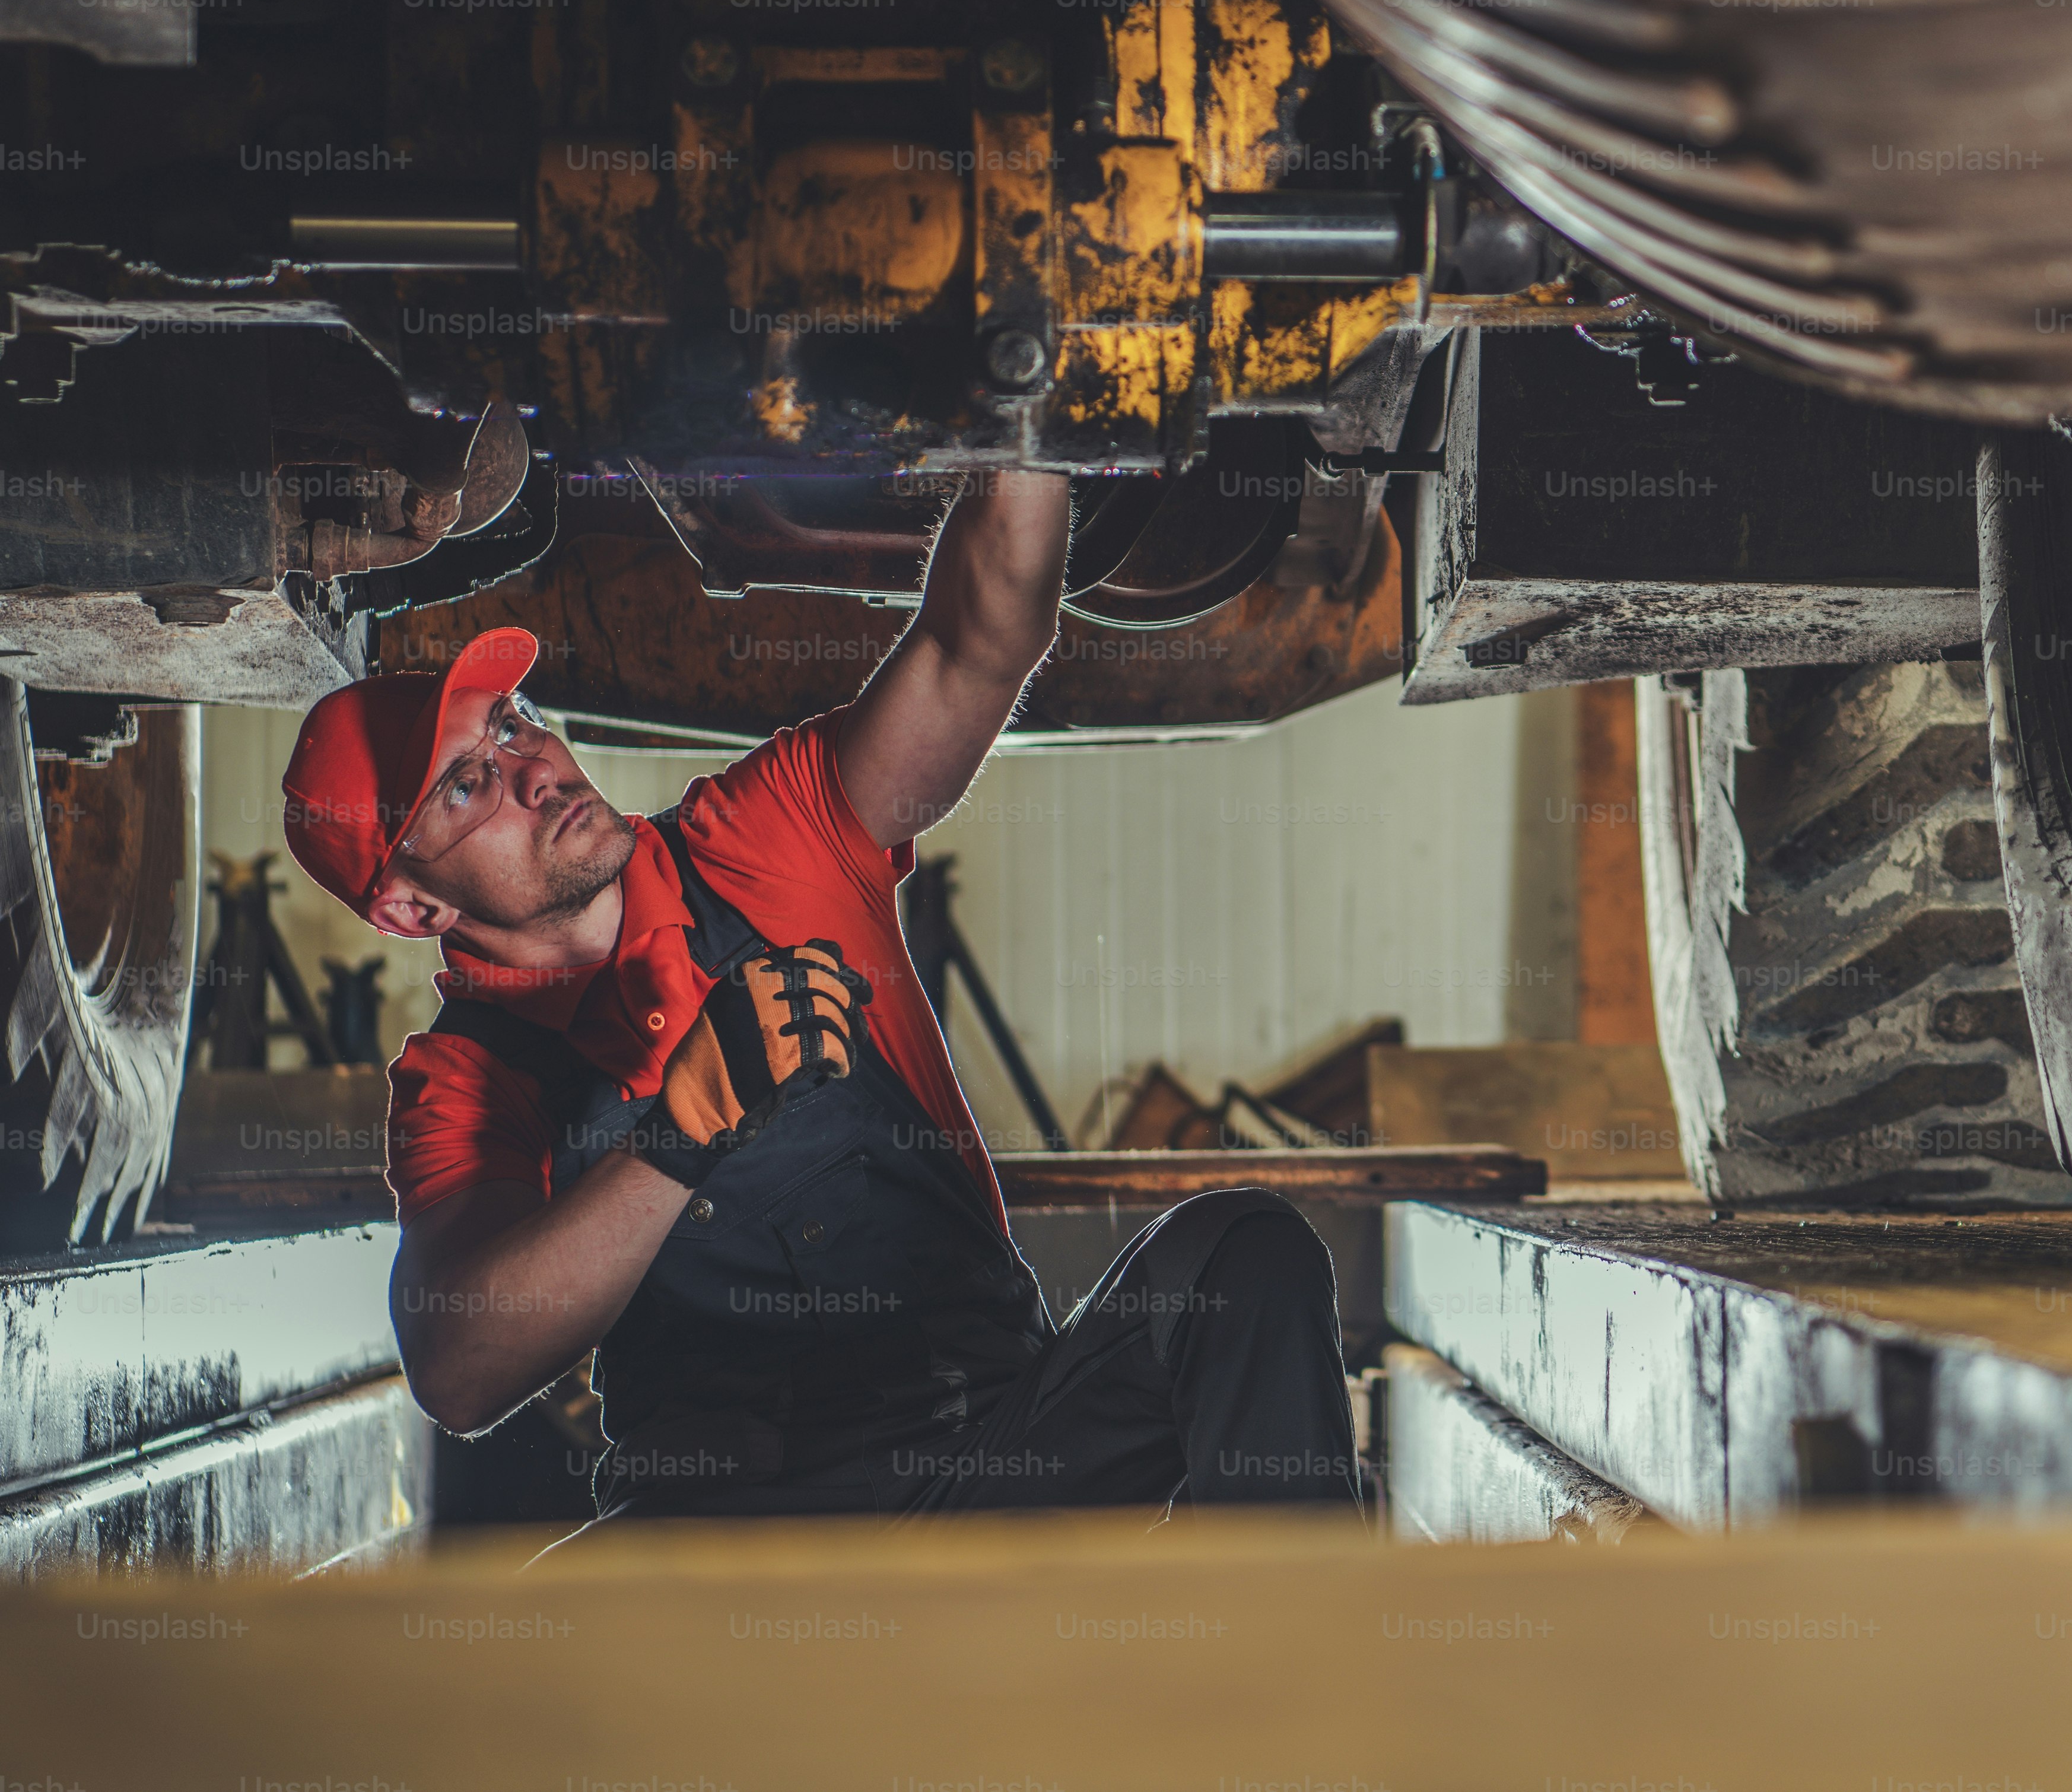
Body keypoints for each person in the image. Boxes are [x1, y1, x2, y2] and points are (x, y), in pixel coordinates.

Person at [279, 468, 1356, 1530]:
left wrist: (1029, 416)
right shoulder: (465, 1083)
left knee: (1242, 1254)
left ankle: (1290, 1693)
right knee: (497, 1675)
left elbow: (972, 643)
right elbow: (463, 1374)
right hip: (722, 1541)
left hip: (987, 1467)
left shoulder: (768, 837)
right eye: (467, 785)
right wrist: (678, 1136)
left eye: (513, 723)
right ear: (414, 909)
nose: (535, 768)